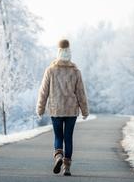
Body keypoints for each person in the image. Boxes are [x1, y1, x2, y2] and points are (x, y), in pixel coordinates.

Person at [36, 39, 89, 176]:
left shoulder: (50, 70)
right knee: (68, 137)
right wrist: (85, 110)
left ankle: (58, 156)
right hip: (71, 110)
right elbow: (81, 92)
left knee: (58, 136)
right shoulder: (75, 71)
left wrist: (40, 109)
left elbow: (44, 91)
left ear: (58, 52)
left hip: (56, 109)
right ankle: (67, 167)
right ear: (69, 53)